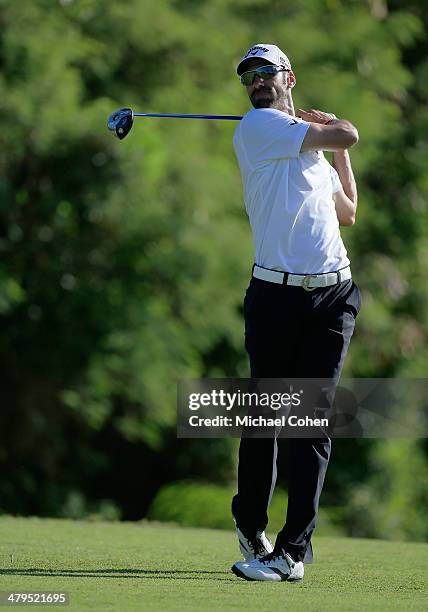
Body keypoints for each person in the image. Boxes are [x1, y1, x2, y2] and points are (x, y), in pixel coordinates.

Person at [230, 44, 361, 582]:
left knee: (311, 424)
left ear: (289, 77)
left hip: (333, 296)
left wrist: (336, 154)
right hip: (276, 297)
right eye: (248, 77)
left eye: (266, 74)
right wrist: (334, 128)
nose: (257, 83)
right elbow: (349, 132)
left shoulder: (306, 149)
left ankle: (291, 553)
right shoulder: (258, 128)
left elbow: (348, 212)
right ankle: (250, 522)